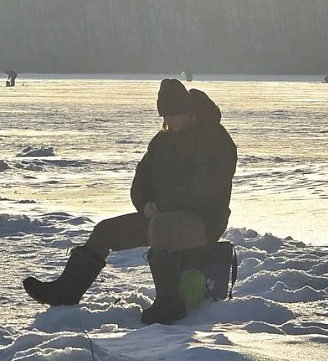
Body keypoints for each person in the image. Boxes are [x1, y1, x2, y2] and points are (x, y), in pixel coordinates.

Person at [23, 79, 237, 324]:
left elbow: (207, 187)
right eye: (166, 117)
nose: (170, 122)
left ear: (189, 112)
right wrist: (145, 204)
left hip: (203, 221)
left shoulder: (215, 139)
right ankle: (65, 293)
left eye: (175, 115)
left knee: (161, 227)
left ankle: (170, 303)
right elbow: (141, 181)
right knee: (105, 231)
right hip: (160, 218)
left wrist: (163, 207)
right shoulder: (161, 142)